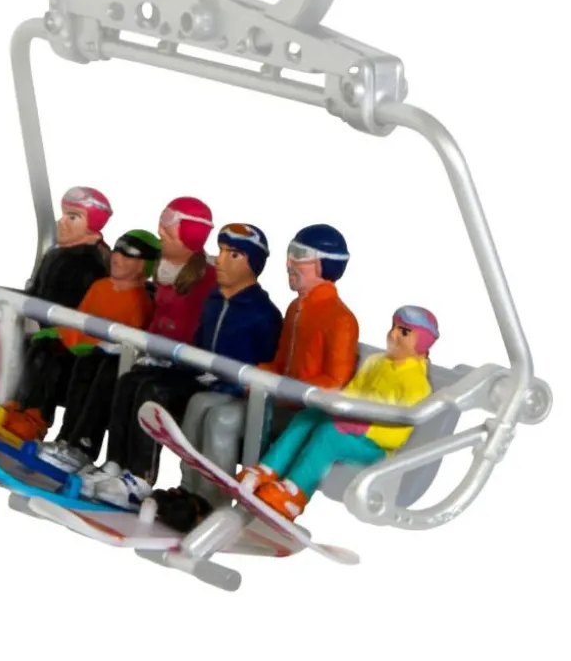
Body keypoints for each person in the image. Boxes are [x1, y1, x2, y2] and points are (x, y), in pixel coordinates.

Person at [57, 222, 281, 511]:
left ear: (253, 264)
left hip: (231, 391)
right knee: (131, 380)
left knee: (154, 391)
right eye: (222, 251)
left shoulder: (263, 313)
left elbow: (267, 365)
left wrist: (235, 384)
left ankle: (140, 478)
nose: (221, 260)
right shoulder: (213, 302)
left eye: (234, 255)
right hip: (199, 376)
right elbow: (198, 345)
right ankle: (116, 464)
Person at [156, 223, 360, 529]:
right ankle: (190, 489)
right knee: (200, 403)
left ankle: (213, 503)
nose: (289, 262)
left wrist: (279, 387)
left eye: (300, 255)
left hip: (299, 413)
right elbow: (279, 363)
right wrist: (257, 376)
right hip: (274, 398)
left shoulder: (340, 319)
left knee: (224, 418)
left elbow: (335, 383)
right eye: (290, 253)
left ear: (323, 264)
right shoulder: (296, 309)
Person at [51, 197, 218, 505]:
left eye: (168, 230)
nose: (161, 234)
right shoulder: (167, 272)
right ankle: (112, 462)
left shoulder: (206, 280)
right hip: (157, 357)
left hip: (186, 369)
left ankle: (139, 477)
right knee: (123, 377)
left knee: (148, 390)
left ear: (189, 236)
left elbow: (199, 330)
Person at [239, 305, 438, 521]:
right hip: (348, 422)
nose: (393, 334)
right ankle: (267, 470)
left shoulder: (417, 385)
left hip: (376, 446)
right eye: (394, 327)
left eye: (404, 332)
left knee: (330, 435)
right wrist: (335, 409)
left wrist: (363, 428)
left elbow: (397, 434)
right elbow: (351, 393)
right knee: (308, 417)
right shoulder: (375, 362)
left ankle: (295, 494)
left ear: (422, 343)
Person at [0, 185, 112, 413]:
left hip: (58, 345)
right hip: (33, 328)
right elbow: (37, 295)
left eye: (73, 217)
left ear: (92, 226)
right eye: (64, 215)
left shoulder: (91, 265)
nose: (62, 222)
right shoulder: (55, 255)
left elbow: (75, 315)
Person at [0, 229, 161, 440]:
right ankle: (16, 407)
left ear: (144, 265)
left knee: (56, 363)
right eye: (116, 251)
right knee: (40, 347)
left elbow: (125, 341)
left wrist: (82, 343)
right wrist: (58, 333)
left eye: (128, 255)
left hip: (97, 360)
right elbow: (79, 319)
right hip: (77, 347)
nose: (117, 258)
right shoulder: (99, 287)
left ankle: (36, 420)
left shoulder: (140, 302)